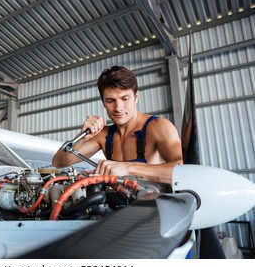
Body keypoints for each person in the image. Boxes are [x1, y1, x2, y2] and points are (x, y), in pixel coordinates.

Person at [52, 66, 183, 185]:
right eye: (110, 101)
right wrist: (82, 137)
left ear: (136, 97)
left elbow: (184, 170)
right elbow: (59, 162)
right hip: (118, 206)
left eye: (124, 98)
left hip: (154, 206)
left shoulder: (158, 126)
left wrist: (128, 168)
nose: (118, 108)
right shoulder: (103, 135)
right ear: (103, 102)